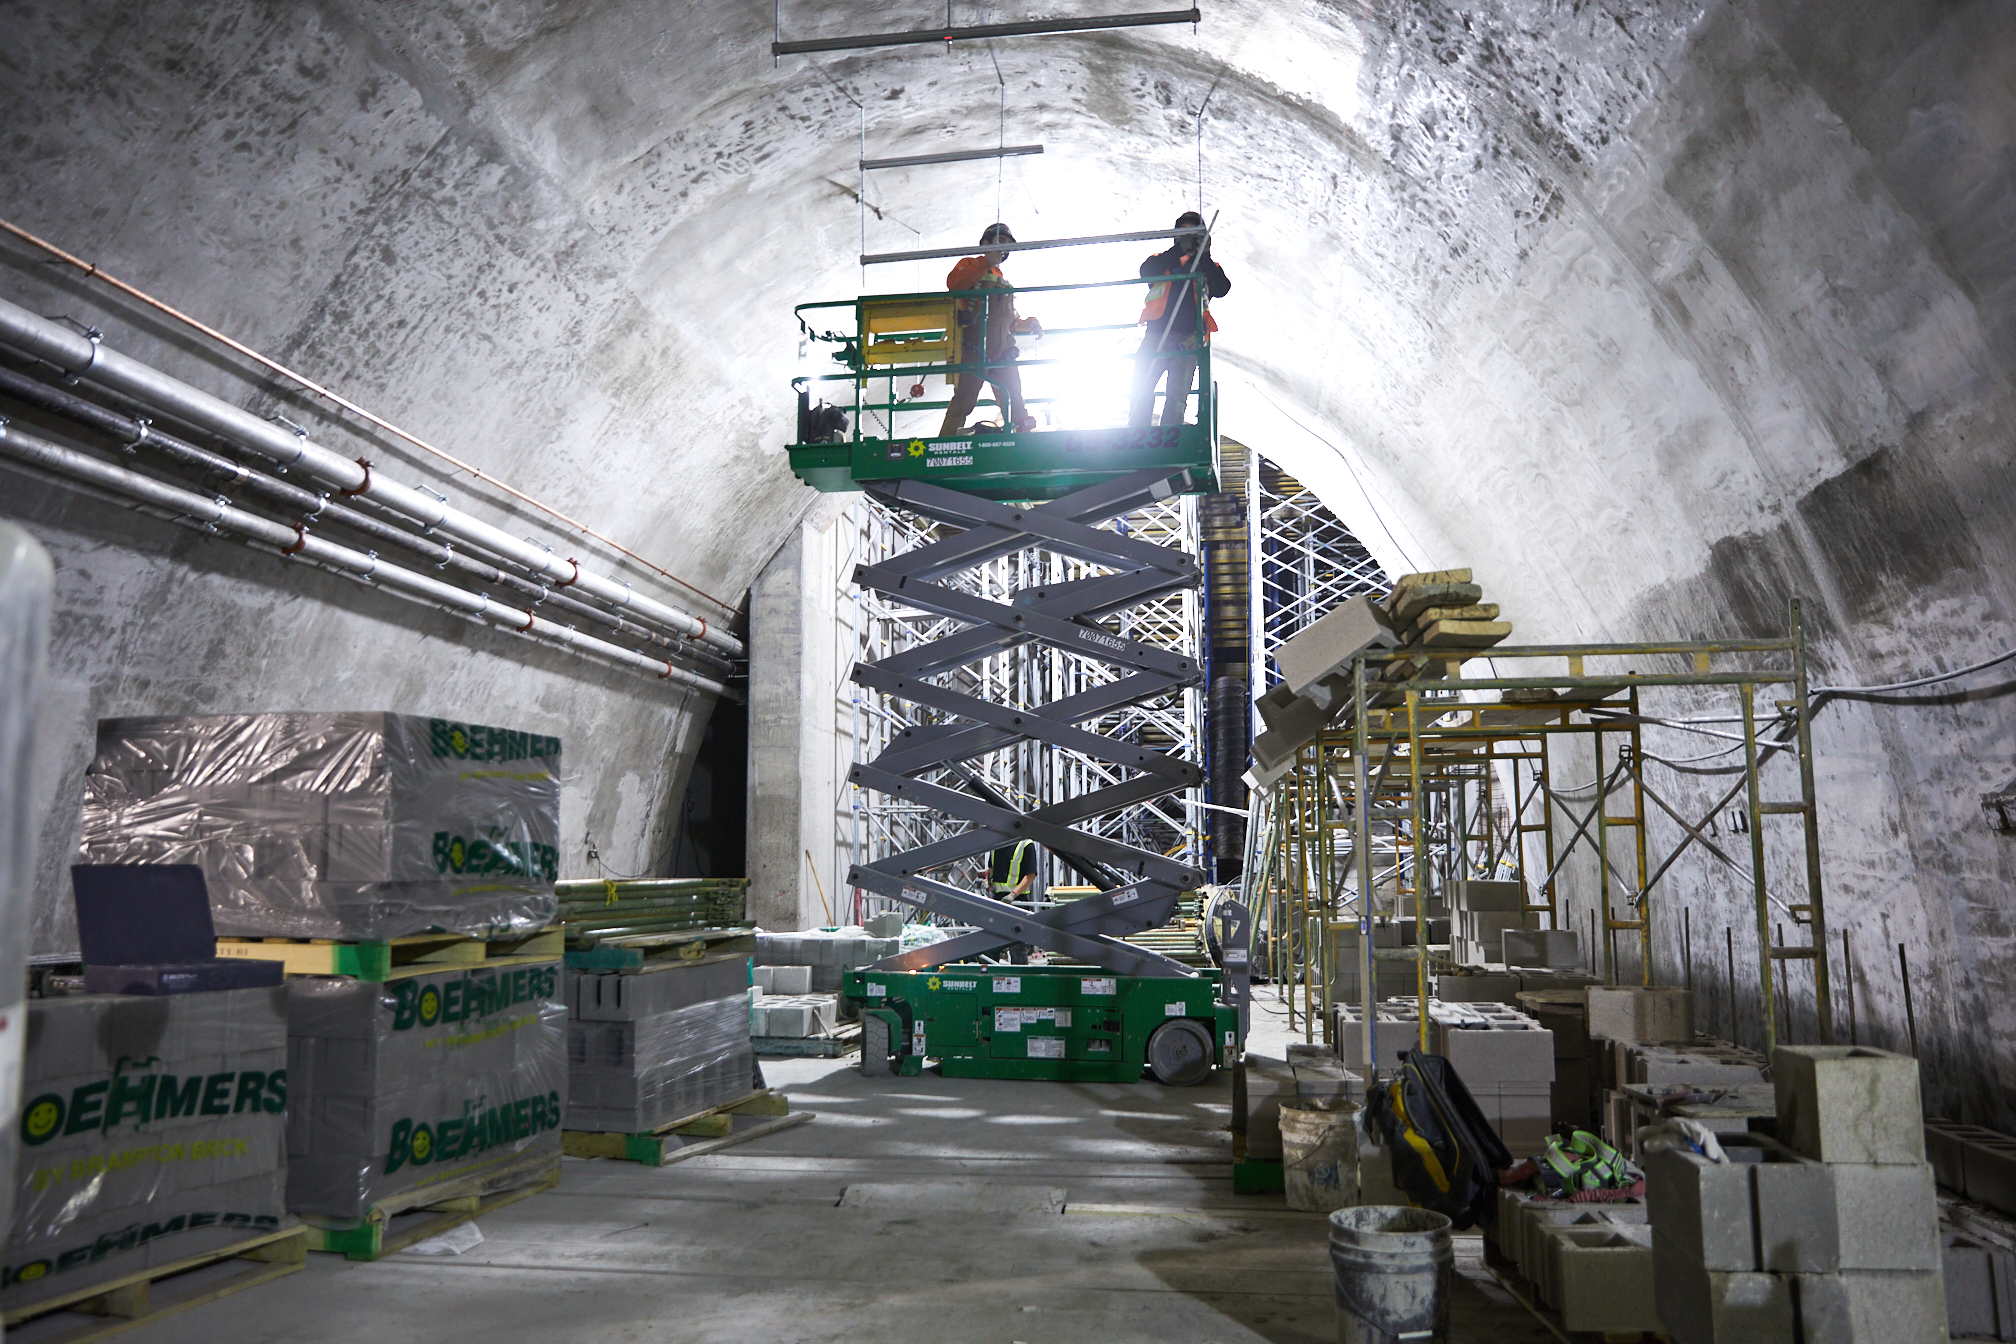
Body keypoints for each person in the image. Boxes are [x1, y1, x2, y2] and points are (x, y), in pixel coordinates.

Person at [939, 223, 1042, 437]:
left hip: (1003, 349)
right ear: (985, 243)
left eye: (1006, 244)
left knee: (1014, 398)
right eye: (999, 242)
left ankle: (1023, 442)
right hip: (973, 345)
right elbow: (955, 285)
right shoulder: (970, 264)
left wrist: (1028, 324)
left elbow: (1008, 320)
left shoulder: (1001, 279)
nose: (1003, 248)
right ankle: (945, 442)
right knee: (965, 399)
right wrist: (985, 262)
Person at [1129, 211, 1230, 428]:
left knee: (1176, 396)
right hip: (1156, 335)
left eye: (1191, 232)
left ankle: (1170, 441)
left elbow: (1222, 288)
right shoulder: (1161, 262)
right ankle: (1136, 435)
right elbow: (1145, 272)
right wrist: (1178, 251)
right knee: (1141, 387)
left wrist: (1204, 255)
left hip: (1188, 339)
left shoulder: (1206, 266)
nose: (1187, 236)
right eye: (1182, 231)